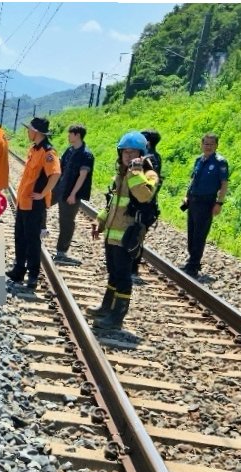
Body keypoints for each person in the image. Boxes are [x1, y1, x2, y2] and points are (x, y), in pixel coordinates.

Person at [89, 131, 159, 331]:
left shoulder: (149, 174)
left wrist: (134, 173)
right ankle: (107, 307)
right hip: (112, 232)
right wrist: (100, 221)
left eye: (132, 152)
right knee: (113, 272)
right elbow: (112, 203)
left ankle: (117, 317)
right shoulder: (121, 174)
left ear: (141, 154)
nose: (128, 156)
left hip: (127, 235)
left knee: (123, 275)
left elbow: (144, 196)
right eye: (124, 152)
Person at [6, 117, 61, 293]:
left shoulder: (48, 152)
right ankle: (19, 270)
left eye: (29, 129)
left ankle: (33, 275)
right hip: (24, 202)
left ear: (36, 132)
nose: (27, 132)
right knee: (20, 237)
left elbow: (55, 174)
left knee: (32, 241)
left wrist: (43, 194)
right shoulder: (33, 149)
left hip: (34, 204)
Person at [181, 133, 229, 278]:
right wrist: (186, 195)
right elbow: (193, 180)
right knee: (191, 233)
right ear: (201, 144)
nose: (208, 146)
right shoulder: (199, 160)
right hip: (193, 200)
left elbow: (224, 184)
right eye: (206, 143)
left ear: (216, 146)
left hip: (206, 201)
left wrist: (219, 203)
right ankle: (192, 260)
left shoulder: (220, 162)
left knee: (200, 234)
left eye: (211, 144)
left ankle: (193, 265)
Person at [53, 123, 94, 266]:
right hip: (60, 189)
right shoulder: (69, 150)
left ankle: (61, 252)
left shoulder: (86, 155)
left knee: (66, 222)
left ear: (77, 135)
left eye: (70, 134)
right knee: (39, 205)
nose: (68, 136)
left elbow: (82, 176)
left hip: (70, 194)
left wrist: (73, 194)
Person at [131, 129, 164, 283]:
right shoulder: (154, 157)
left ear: (148, 143)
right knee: (135, 235)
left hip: (143, 205)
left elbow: (147, 184)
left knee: (136, 235)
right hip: (144, 204)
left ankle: (133, 270)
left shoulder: (149, 159)